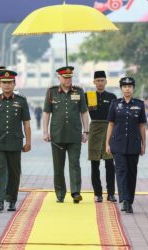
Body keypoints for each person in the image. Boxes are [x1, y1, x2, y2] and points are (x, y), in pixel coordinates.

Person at [0, 70, 31, 212]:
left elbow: (26, 123)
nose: (6, 85)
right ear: (0, 83)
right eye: (4, 82)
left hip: (15, 142)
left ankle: (11, 200)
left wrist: (28, 142)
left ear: (14, 84)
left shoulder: (21, 101)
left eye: (9, 82)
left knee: (14, 172)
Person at [43, 66, 89, 204]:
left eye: (70, 77)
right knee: (58, 166)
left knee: (75, 164)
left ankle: (75, 192)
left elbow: (84, 112)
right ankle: (60, 194)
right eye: (65, 77)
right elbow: (46, 113)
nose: (68, 80)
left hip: (74, 135)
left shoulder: (79, 92)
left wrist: (86, 131)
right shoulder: (51, 92)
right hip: (57, 135)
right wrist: (45, 131)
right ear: (59, 78)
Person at [106, 77, 147, 213]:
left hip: (134, 144)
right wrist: (107, 143)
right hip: (118, 144)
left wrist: (143, 144)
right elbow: (111, 124)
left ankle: (130, 200)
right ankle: (124, 200)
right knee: (121, 171)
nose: (127, 89)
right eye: (124, 86)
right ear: (121, 88)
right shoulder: (115, 104)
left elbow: (142, 126)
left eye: (129, 86)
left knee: (131, 173)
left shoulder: (139, 104)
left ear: (133, 88)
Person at [85, 71, 117, 203]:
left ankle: (110, 193)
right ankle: (97, 193)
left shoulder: (112, 96)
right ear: (94, 82)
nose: (100, 83)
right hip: (95, 128)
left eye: (102, 80)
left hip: (109, 128)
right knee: (94, 162)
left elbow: (116, 115)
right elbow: (80, 109)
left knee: (110, 163)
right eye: (97, 80)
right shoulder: (88, 95)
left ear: (106, 81)